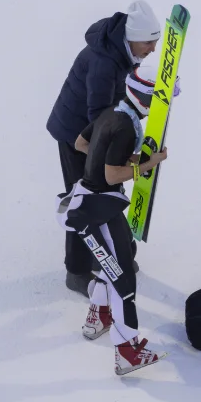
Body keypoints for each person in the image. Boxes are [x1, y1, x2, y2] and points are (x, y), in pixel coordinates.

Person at [56, 72, 168, 375]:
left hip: (92, 203)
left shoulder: (112, 112)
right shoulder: (125, 127)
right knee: (123, 280)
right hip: (97, 211)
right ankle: (127, 352)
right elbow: (111, 176)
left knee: (116, 266)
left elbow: (82, 143)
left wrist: (118, 157)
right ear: (147, 100)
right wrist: (147, 165)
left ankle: (99, 317)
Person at [47, 0, 162, 297]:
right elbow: (99, 114)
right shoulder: (104, 61)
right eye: (149, 42)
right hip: (76, 136)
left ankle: (113, 253)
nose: (153, 48)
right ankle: (77, 271)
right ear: (132, 37)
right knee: (82, 202)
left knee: (106, 196)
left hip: (95, 131)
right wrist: (120, 156)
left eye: (156, 41)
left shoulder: (123, 50)